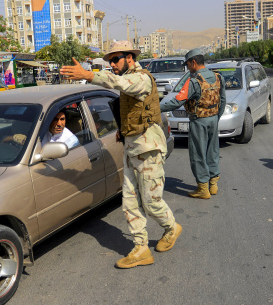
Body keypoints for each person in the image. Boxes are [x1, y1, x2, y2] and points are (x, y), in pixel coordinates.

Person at [60, 40, 181, 269]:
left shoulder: (141, 78)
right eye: (109, 60)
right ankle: (141, 248)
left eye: (115, 59)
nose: (112, 64)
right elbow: (129, 109)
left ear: (130, 58)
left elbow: (120, 83)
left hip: (148, 150)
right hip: (131, 148)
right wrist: (124, 132)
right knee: (129, 202)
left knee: (152, 203)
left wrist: (88, 74)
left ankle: (172, 228)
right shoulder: (127, 80)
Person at [160, 49, 226, 199]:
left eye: (188, 64)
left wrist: (156, 107)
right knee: (213, 151)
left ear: (194, 62)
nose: (187, 68)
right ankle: (213, 184)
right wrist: (216, 117)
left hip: (198, 121)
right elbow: (223, 101)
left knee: (198, 154)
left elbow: (177, 102)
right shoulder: (217, 77)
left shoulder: (194, 81)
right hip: (213, 119)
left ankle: (203, 188)